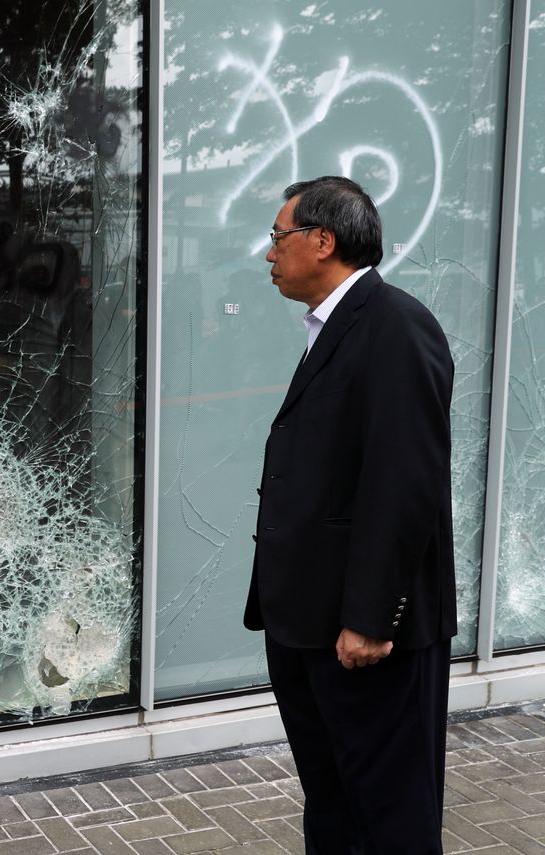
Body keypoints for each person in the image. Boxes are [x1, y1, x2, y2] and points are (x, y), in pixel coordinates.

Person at [244, 176, 456, 853]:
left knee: (389, 813)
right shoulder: (335, 325)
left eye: (279, 238)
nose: (269, 253)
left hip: (363, 637)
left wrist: (369, 618)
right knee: (333, 800)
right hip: (308, 622)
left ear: (323, 240)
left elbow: (405, 482)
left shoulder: (395, 325)